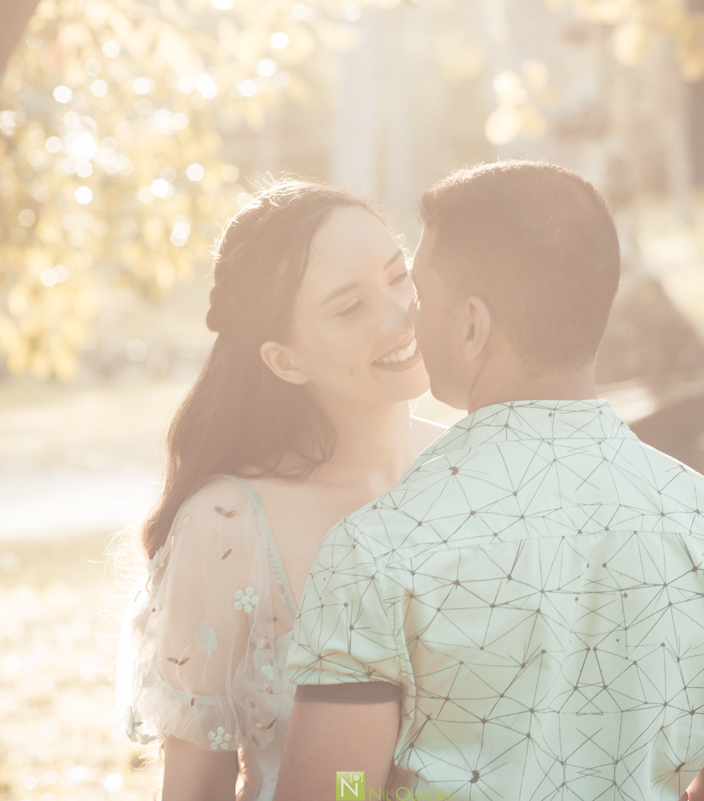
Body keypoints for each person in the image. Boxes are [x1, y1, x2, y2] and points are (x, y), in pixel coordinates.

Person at [275, 161, 704, 801]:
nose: (407, 320)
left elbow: (343, 791)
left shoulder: (378, 551)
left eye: (419, 297)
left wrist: (352, 789)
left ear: (472, 327)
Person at [116, 181, 446, 801]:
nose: (401, 313)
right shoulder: (227, 522)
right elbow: (195, 789)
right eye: (349, 308)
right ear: (285, 360)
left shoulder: (475, 467)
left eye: (399, 276)